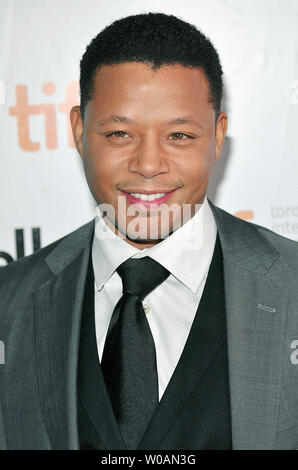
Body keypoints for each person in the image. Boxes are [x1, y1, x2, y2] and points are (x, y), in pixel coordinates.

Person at [0, 12, 297, 451]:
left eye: (179, 135)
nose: (148, 164)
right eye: (120, 133)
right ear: (80, 132)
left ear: (217, 136)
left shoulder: (292, 283)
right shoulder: (11, 302)